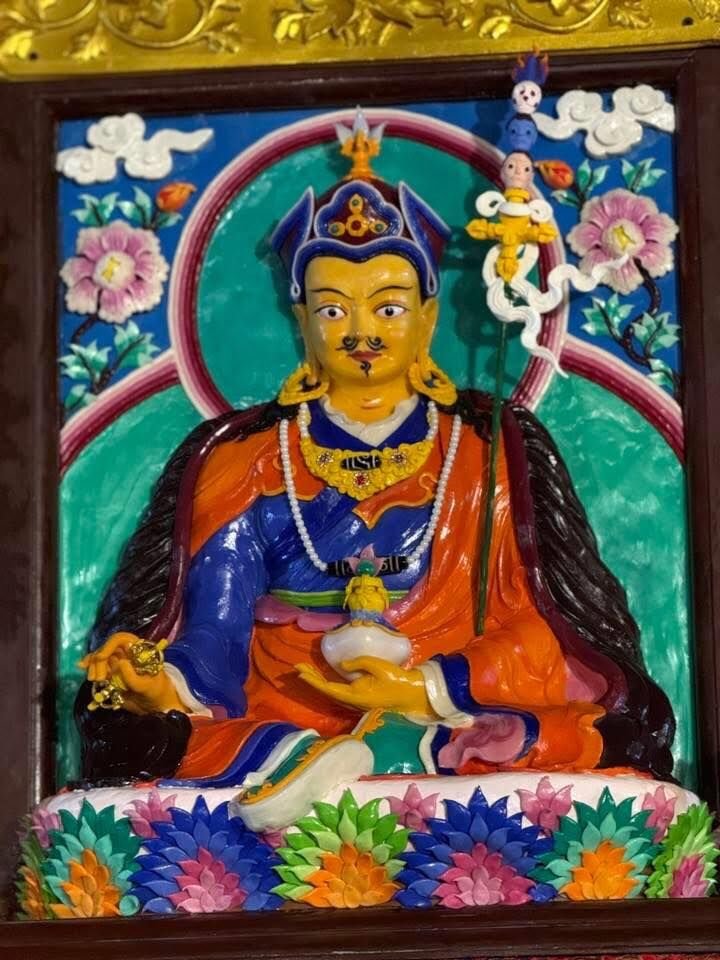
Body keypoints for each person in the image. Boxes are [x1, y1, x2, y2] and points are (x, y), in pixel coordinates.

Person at [76, 114, 674, 830]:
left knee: (594, 730)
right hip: (282, 710)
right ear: (302, 319)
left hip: (444, 710)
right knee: (146, 738)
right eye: (334, 309)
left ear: (427, 316)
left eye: (388, 306)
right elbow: (213, 638)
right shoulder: (246, 459)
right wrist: (158, 680)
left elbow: (541, 627)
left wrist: (421, 688)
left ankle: (362, 755)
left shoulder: (485, 451)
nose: (361, 332)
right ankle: (296, 760)